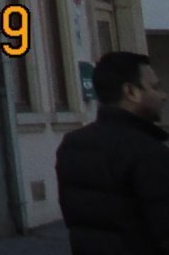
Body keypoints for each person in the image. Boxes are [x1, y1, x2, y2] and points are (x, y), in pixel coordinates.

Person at [56, 48, 169, 255]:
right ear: (131, 92)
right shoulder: (148, 152)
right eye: (155, 87)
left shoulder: (72, 145)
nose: (163, 96)